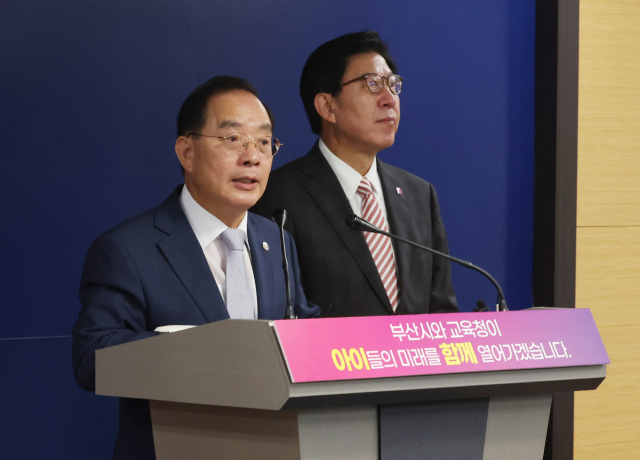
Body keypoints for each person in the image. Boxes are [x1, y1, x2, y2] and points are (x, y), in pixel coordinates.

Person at [72, 76, 319, 460]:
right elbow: (93, 359)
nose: (252, 157)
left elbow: (301, 329)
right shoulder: (128, 249)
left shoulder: (277, 239)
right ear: (186, 152)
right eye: (232, 139)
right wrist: (196, 351)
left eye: (264, 142)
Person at [253, 31, 458, 317]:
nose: (389, 99)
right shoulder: (280, 197)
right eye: (372, 84)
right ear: (327, 106)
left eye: (393, 84)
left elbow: (442, 313)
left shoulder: (419, 195)